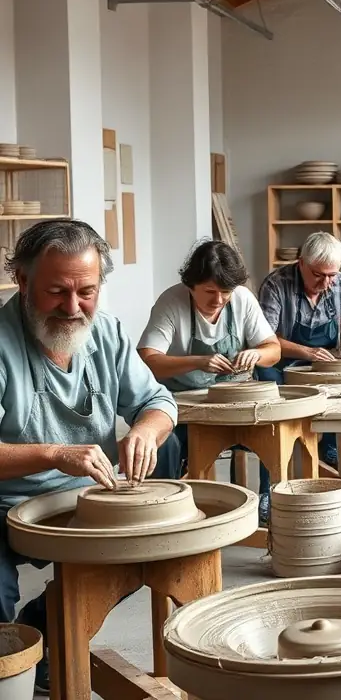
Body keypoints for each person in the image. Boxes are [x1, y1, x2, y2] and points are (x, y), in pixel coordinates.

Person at [0, 220, 177, 693]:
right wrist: (55, 453)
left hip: (84, 498)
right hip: (4, 504)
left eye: (87, 292)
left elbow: (159, 403)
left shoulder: (108, 334)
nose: (74, 308)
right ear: (21, 279)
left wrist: (144, 430)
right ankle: (12, 664)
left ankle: (43, 636)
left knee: (142, 557)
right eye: (56, 292)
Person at [138, 241, 281, 519]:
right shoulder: (172, 301)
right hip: (182, 404)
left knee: (271, 431)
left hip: (233, 400)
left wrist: (256, 354)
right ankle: (165, 505)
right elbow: (147, 360)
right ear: (191, 285)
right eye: (209, 292)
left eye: (225, 293)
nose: (218, 300)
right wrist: (197, 361)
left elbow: (273, 349)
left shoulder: (242, 299)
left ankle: (267, 498)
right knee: (165, 443)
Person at [257, 232, 341, 468]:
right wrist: (306, 352)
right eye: (318, 275)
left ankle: (328, 451)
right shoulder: (276, 284)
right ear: (302, 264)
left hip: (323, 363)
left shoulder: (338, 281)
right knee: (271, 402)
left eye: (331, 275)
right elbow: (264, 340)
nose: (326, 283)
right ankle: (272, 472)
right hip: (283, 364)